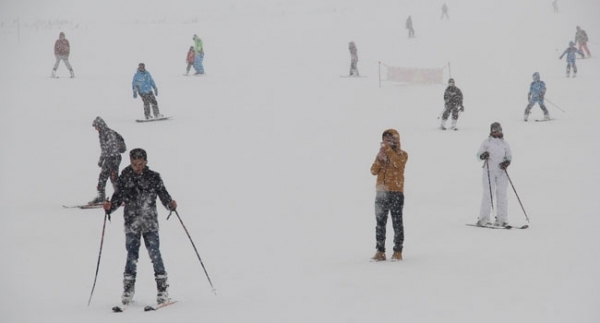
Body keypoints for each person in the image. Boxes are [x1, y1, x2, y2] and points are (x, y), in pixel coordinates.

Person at [103, 148, 178, 306]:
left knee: (155, 254)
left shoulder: (154, 177)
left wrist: (170, 204)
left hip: (150, 222)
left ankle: (162, 290)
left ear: (146, 162)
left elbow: (163, 194)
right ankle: (128, 290)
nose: (137, 166)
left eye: (140, 163)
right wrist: (110, 207)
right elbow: (117, 198)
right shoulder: (125, 177)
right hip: (132, 223)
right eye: (135, 163)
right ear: (130, 162)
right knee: (131, 255)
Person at [370, 129, 409, 261]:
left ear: (395, 141)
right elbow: (373, 171)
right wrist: (379, 159)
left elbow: (398, 164)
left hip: (396, 192)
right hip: (381, 192)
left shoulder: (403, 154)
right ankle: (380, 251)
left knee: (397, 223)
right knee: (380, 223)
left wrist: (389, 151)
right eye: (384, 139)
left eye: (389, 139)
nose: (386, 142)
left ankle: (397, 251)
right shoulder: (382, 155)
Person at [476, 122, 512, 227]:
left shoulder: (504, 143)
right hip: (489, 171)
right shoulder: (486, 143)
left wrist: (507, 162)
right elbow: (478, 156)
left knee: (502, 194)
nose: (497, 132)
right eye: (494, 131)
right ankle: (484, 218)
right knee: (488, 194)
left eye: (498, 130)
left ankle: (502, 218)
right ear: (491, 131)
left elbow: (509, 156)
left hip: (501, 172)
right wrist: (483, 155)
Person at [89, 117, 124, 204]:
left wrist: (103, 159)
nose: (95, 129)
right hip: (110, 158)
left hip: (114, 158)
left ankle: (118, 196)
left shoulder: (109, 134)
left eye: (96, 126)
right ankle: (103, 197)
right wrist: (102, 159)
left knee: (111, 178)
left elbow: (109, 148)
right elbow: (104, 149)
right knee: (105, 177)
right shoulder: (102, 133)